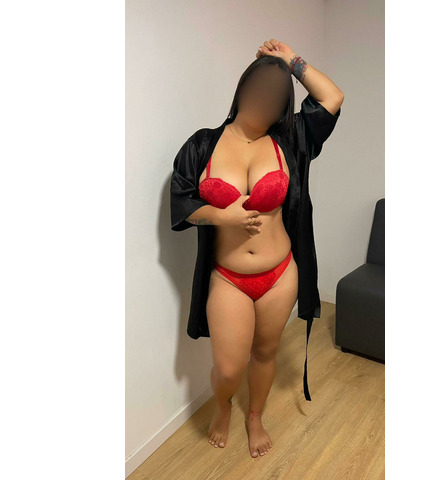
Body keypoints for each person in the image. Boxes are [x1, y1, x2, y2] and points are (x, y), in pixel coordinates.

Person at [170, 38, 343, 458]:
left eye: (276, 96)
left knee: (265, 352)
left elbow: (332, 98)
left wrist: (290, 61)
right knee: (229, 368)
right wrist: (221, 216)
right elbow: (182, 201)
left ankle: (255, 416)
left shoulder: (290, 139)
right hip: (229, 277)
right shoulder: (203, 144)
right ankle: (224, 404)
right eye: (259, 89)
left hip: (280, 274)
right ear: (241, 88)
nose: (265, 100)